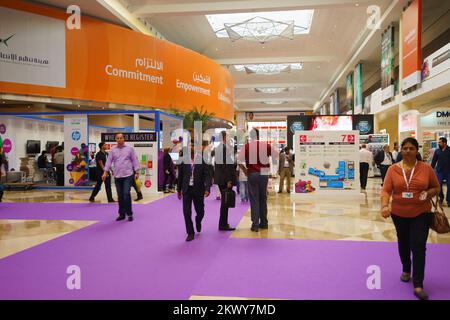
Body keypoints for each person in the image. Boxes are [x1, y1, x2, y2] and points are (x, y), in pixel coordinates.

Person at [380, 137, 440, 300]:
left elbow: (436, 187)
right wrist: (385, 206)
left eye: (411, 148)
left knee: (419, 246)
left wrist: (428, 193)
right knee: (403, 243)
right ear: (401, 150)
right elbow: (386, 190)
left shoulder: (426, 169)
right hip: (399, 214)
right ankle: (406, 269)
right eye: (405, 148)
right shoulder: (393, 169)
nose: (408, 151)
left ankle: (418, 284)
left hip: (421, 213)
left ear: (416, 150)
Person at [238, 128, 278, 232]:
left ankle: (255, 225)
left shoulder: (246, 147)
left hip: (252, 173)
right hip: (264, 172)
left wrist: (245, 171)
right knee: (263, 198)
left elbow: (239, 161)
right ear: (258, 135)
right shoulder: (265, 145)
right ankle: (264, 223)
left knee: (254, 199)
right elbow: (275, 156)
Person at [177, 143, 211, 242]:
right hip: (187, 189)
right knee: (186, 212)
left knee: (200, 211)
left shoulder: (202, 159)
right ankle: (190, 232)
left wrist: (207, 188)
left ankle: (198, 220)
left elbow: (207, 175)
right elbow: (181, 176)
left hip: (198, 189)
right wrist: (179, 190)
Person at [102, 133, 140, 222]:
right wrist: (105, 172)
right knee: (120, 196)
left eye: (121, 138)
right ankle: (121, 214)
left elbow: (134, 160)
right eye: (117, 138)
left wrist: (137, 171)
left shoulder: (129, 149)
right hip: (117, 176)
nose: (119, 139)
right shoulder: (113, 150)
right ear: (116, 139)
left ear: (124, 139)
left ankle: (129, 213)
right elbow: (108, 162)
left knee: (126, 193)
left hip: (128, 175)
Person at [213, 131, 237, 231]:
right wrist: (228, 180)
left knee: (225, 202)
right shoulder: (222, 148)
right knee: (225, 202)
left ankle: (223, 223)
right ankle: (223, 224)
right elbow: (224, 166)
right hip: (224, 179)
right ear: (224, 137)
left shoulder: (220, 148)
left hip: (221, 178)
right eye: (228, 136)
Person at [431, 137, 450, 206]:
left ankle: (449, 200)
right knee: (438, 184)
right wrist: (431, 169)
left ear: (444, 143)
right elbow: (433, 161)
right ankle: (441, 197)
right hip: (439, 171)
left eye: (440, 142)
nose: (438, 143)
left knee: (449, 186)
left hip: (448, 171)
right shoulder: (437, 151)